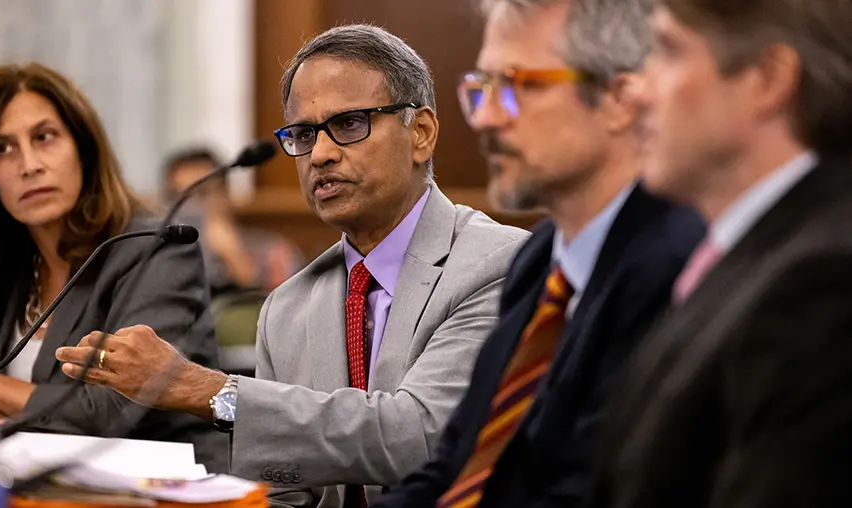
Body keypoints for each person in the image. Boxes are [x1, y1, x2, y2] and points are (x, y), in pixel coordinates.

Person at [56, 24, 528, 507]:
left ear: (421, 133)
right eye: (303, 134)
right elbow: (284, 494)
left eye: (349, 124)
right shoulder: (287, 307)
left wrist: (206, 389)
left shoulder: (500, 264)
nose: (320, 154)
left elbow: (422, 436)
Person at [373, 0, 705, 507]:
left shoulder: (678, 269)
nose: (484, 117)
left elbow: (589, 490)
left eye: (518, 85)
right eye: (481, 88)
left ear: (618, 98)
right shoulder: (540, 258)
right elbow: (452, 466)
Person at [587, 0, 852, 507]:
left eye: (666, 51)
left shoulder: (823, 286)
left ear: (767, 78)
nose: (635, 90)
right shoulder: (756, 253)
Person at [0, 63, 227, 472]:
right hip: (40, 486)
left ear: (83, 147)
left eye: (44, 137)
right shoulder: (4, 267)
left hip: (162, 488)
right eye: (2, 149)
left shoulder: (155, 249)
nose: (29, 165)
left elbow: (112, 410)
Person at [163, 147, 304, 297]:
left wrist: (234, 257)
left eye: (202, 193)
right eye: (178, 198)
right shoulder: (160, 257)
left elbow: (288, 311)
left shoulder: (273, 252)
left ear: (226, 193)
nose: (191, 208)